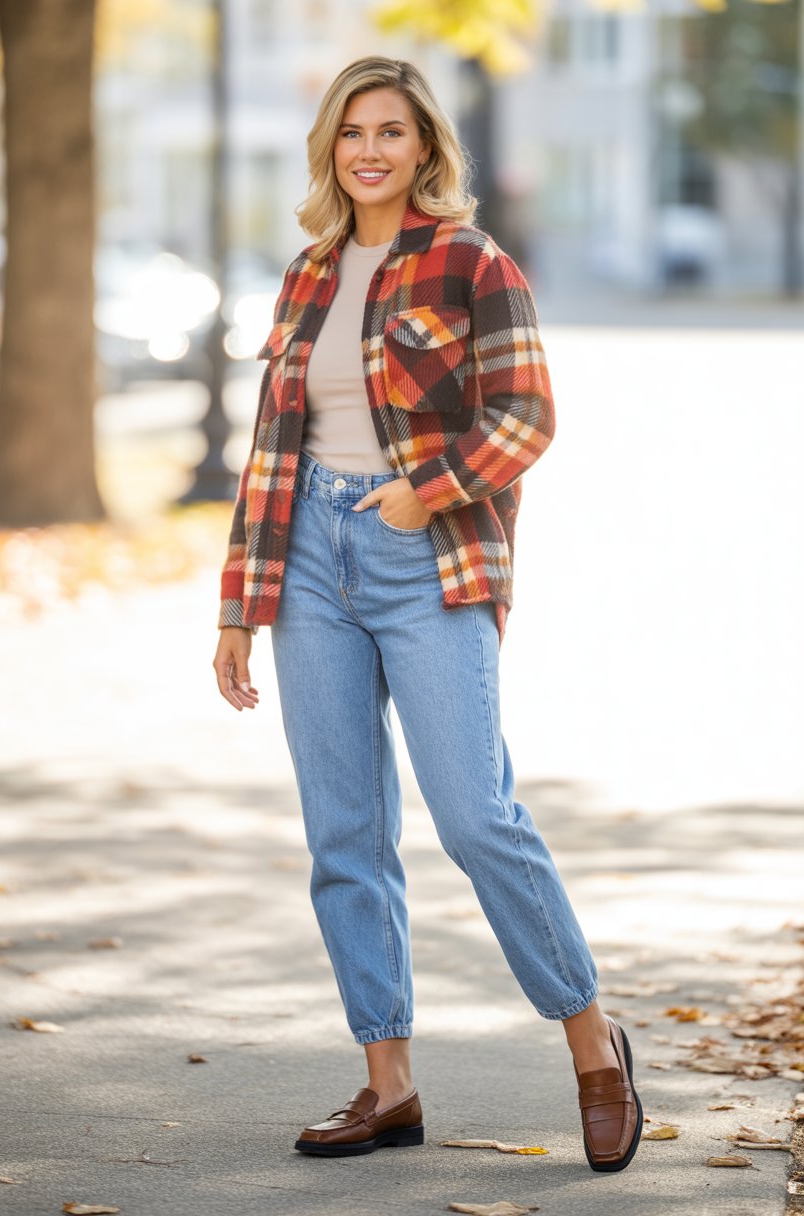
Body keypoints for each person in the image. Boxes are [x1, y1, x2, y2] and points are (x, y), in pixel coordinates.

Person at [212, 55, 642, 1172]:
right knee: (344, 833)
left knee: (474, 816)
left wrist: (426, 491)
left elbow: (527, 415)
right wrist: (238, 606)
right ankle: (388, 1083)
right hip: (309, 561)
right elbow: (269, 453)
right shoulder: (307, 275)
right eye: (352, 132)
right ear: (330, 147)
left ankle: (594, 1047)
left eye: (390, 132)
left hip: (427, 557)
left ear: (424, 148)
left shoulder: (470, 262)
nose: (370, 151)